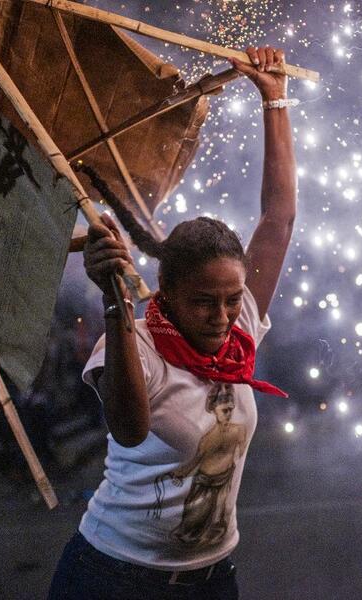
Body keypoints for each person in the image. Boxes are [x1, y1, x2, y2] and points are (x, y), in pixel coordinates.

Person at [48, 45, 296, 600]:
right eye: (205, 302)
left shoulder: (240, 328)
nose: (224, 316)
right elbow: (129, 429)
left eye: (233, 298)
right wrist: (113, 298)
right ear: (167, 293)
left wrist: (274, 99)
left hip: (211, 579)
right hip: (113, 577)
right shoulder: (137, 343)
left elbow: (278, 218)